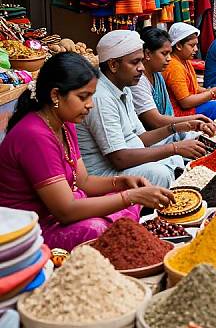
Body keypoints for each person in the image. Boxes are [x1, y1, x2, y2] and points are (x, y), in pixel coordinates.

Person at [0, 53, 174, 251]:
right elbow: (65, 211)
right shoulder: (34, 135)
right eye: (83, 97)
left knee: (125, 206)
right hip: (30, 231)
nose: (90, 104)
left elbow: (83, 182)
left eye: (91, 96)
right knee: (98, 228)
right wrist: (131, 196)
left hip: (64, 208)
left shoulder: (65, 123)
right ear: (56, 95)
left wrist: (123, 183)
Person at [77, 30, 202, 188]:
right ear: (113, 65)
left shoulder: (125, 88)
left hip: (129, 158)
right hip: (105, 174)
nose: (141, 68)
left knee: (178, 153)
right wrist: (175, 148)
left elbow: (140, 137)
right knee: (160, 173)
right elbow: (119, 158)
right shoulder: (101, 98)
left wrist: (176, 128)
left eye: (142, 61)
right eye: (135, 62)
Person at [163, 22, 216, 118]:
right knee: (215, 107)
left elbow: (195, 89)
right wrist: (213, 92)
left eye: (196, 45)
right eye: (192, 45)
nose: (196, 49)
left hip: (188, 106)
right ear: (178, 46)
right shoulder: (174, 66)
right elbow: (185, 102)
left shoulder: (185, 61)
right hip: (178, 114)